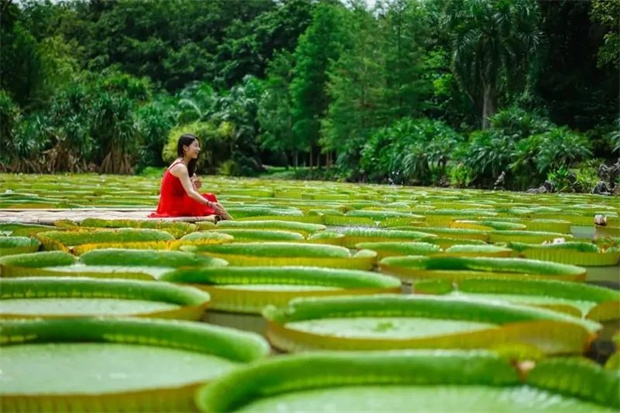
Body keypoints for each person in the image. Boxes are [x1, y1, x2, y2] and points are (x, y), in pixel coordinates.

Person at [149, 134, 232, 220]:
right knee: (210, 200)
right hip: (173, 208)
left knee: (210, 197)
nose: (198, 149)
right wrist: (210, 204)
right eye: (196, 146)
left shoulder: (184, 166)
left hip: (175, 203)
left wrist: (194, 183)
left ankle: (230, 221)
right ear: (185, 147)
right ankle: (231, 221)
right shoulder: (180, 167)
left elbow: (192, 191)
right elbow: (190, 193)